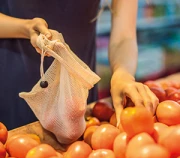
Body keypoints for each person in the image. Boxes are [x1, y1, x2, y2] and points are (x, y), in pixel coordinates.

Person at [0, 0, 158, 130]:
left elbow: (124, 36)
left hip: (79, 89)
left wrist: (123, 74)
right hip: (15, 79)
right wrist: (25, 28)